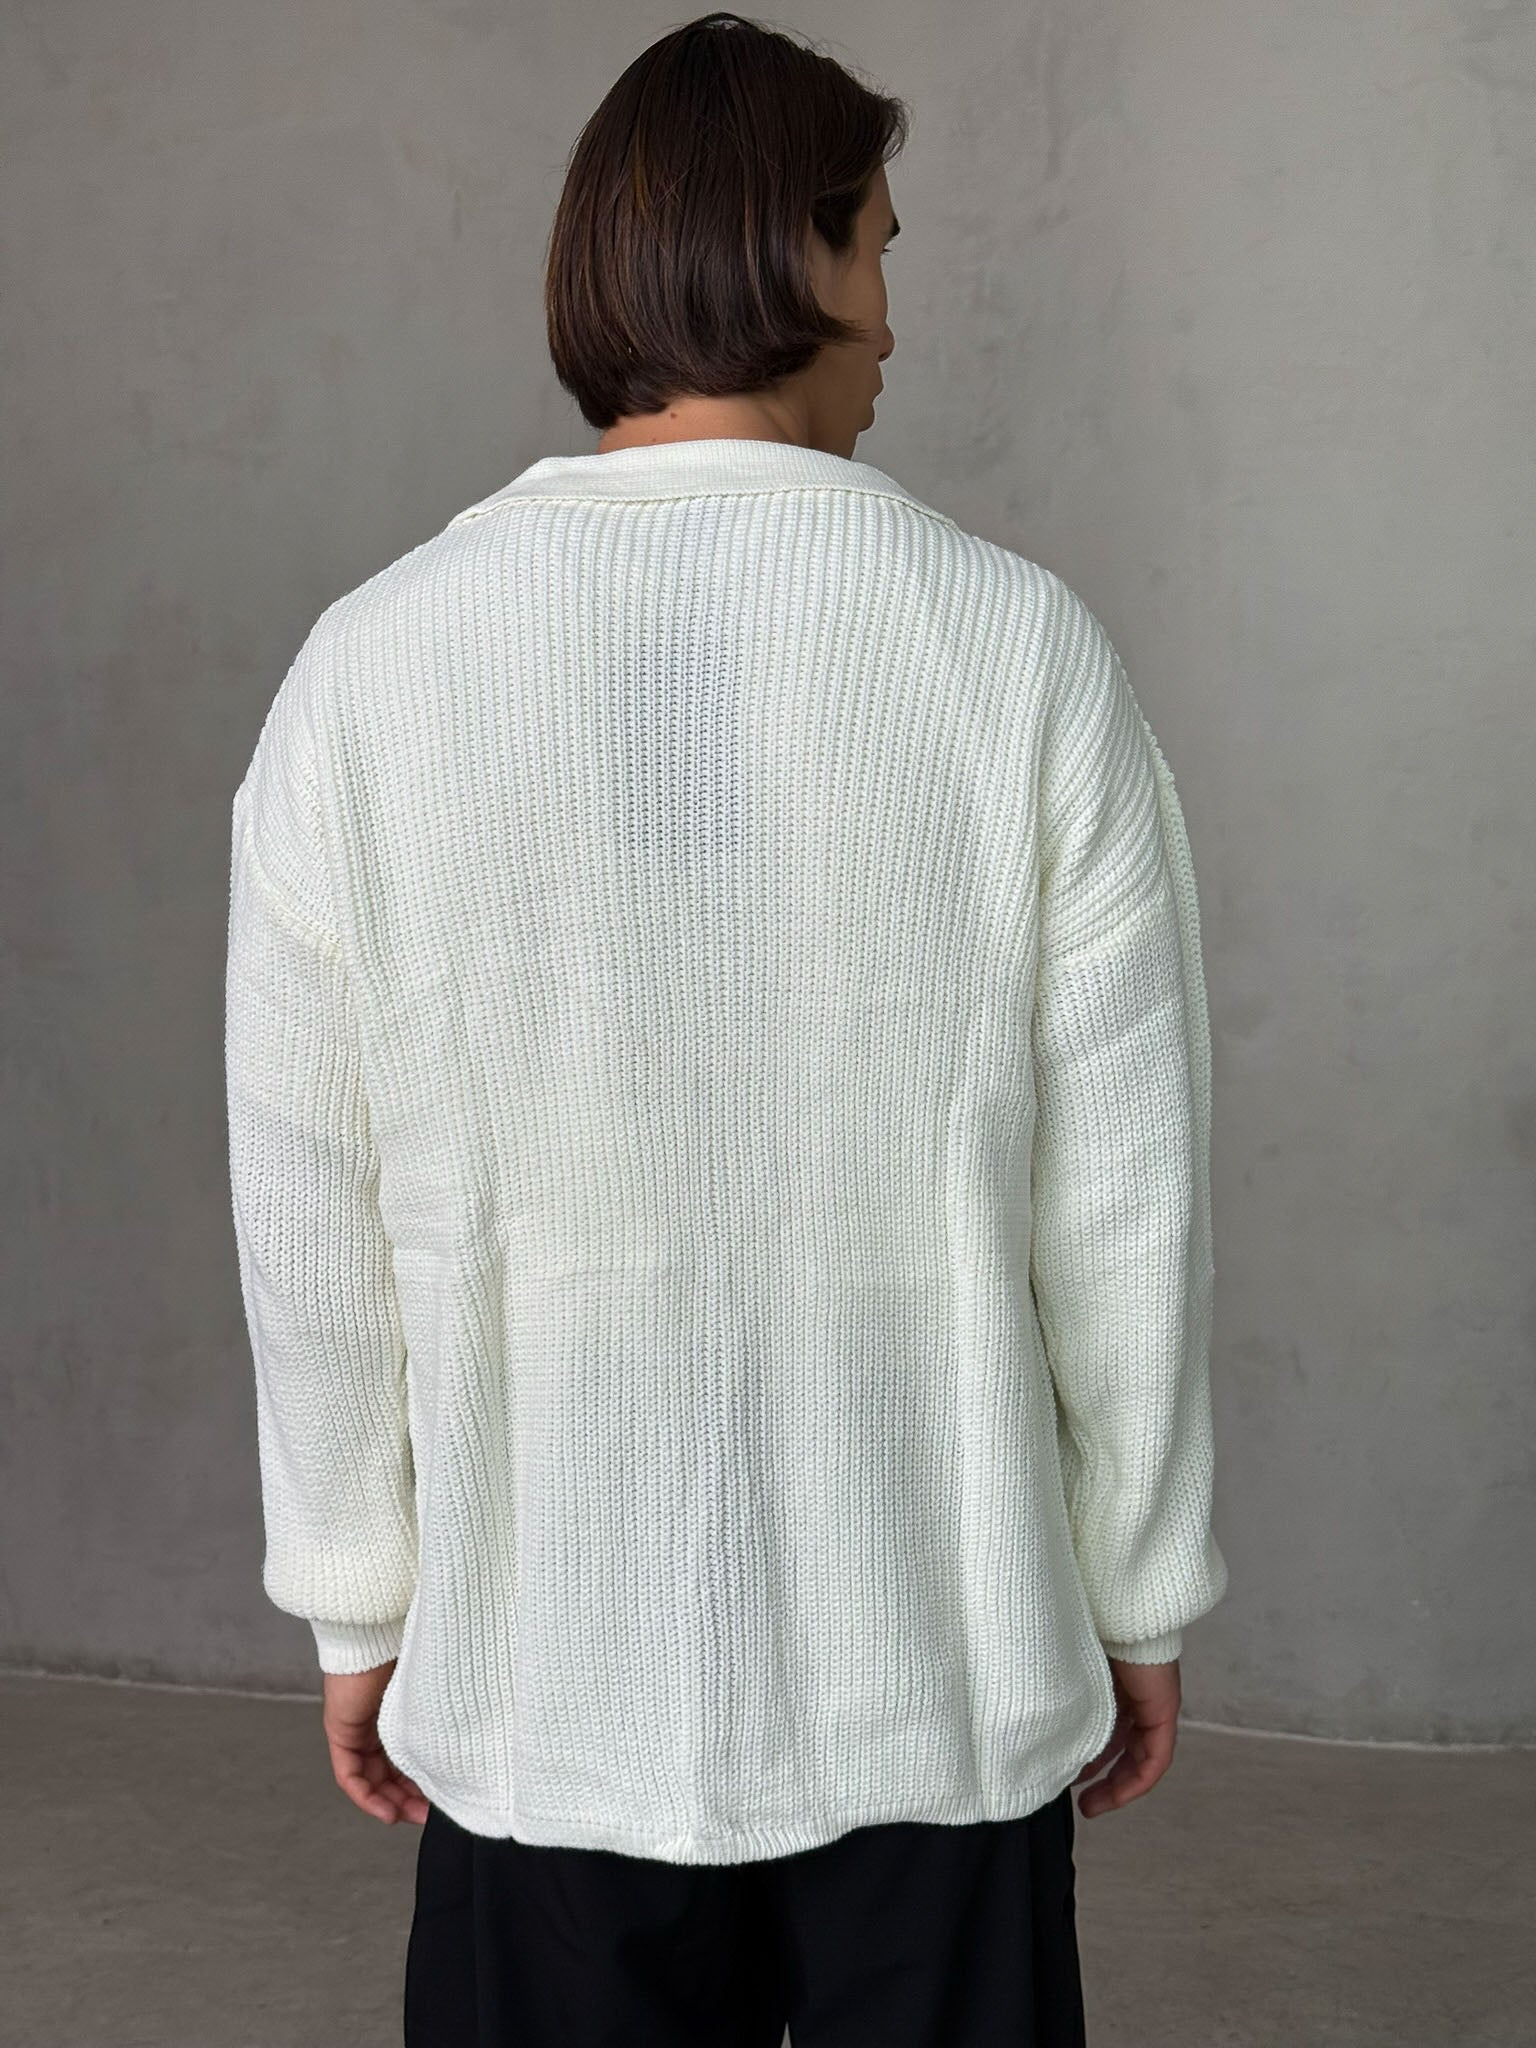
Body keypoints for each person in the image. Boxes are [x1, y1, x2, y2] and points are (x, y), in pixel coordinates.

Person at [223, 13, 1229, 2044]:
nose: (897, 322)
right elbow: (1126, 1198)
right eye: (882, 246)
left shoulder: (370, 671)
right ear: (797, 254)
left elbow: (313, 1207)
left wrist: (361, 1598)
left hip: (540, 1683)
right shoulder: (1018, 654)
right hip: (939, 1681)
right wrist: (1135, 1585)